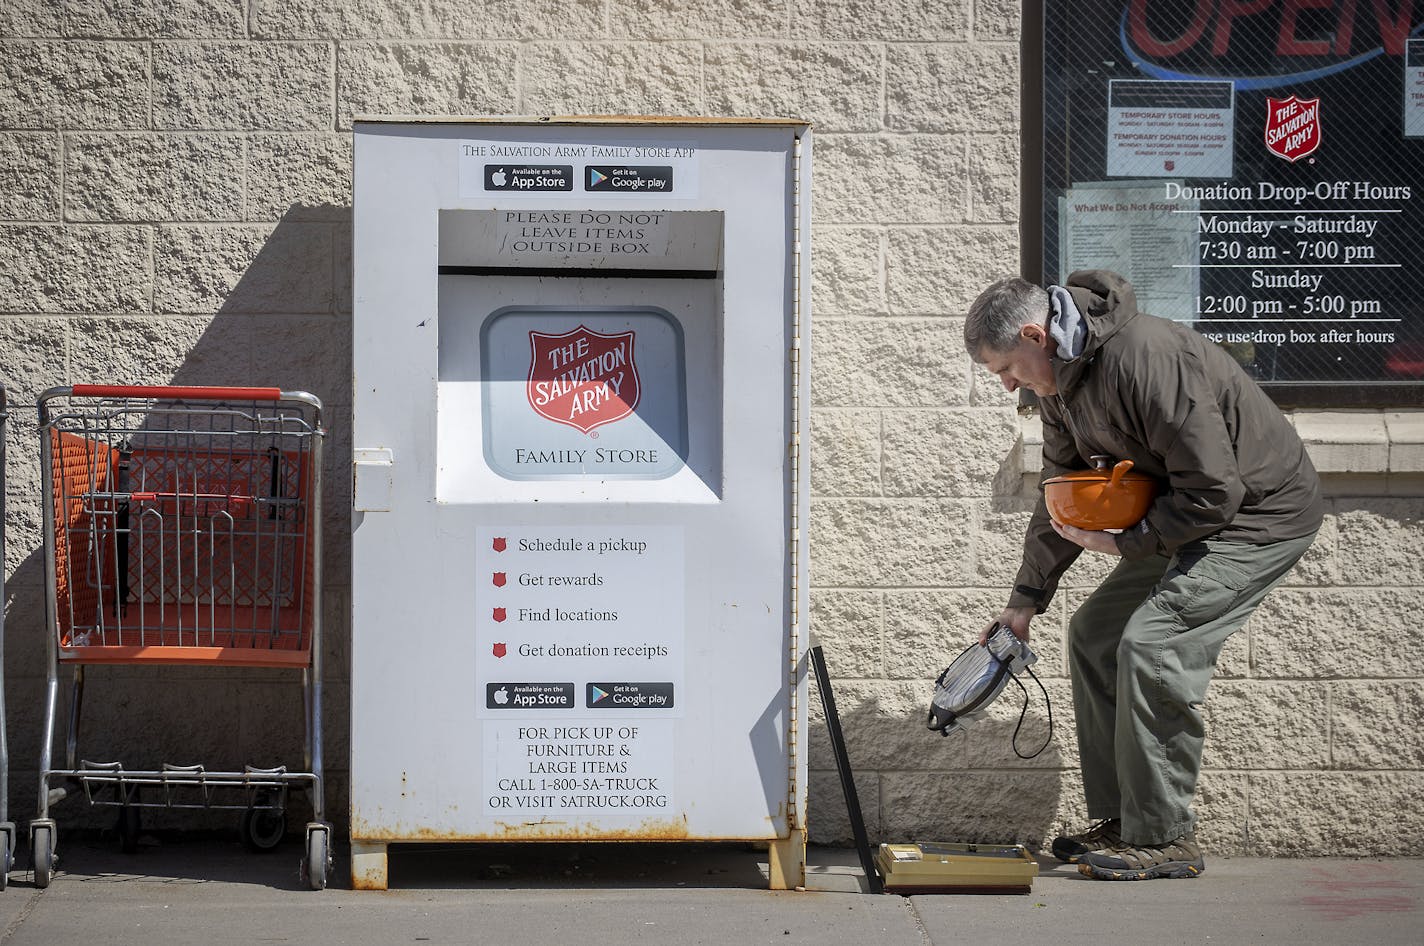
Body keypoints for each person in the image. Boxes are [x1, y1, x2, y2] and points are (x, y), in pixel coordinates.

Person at [964, 271, 1322, 881]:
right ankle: (1126, 820)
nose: (1006, 386)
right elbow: (1061, 493)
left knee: (1152, 643)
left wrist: (1129, 540)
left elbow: (1216, 488)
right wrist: (1024, 602)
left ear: (1035, 335)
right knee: (1095, 634)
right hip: (1182, 515)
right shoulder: (1059, 384)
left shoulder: (1144, 358)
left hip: (1256, 517)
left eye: (1006, 368)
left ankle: (1164, 838)